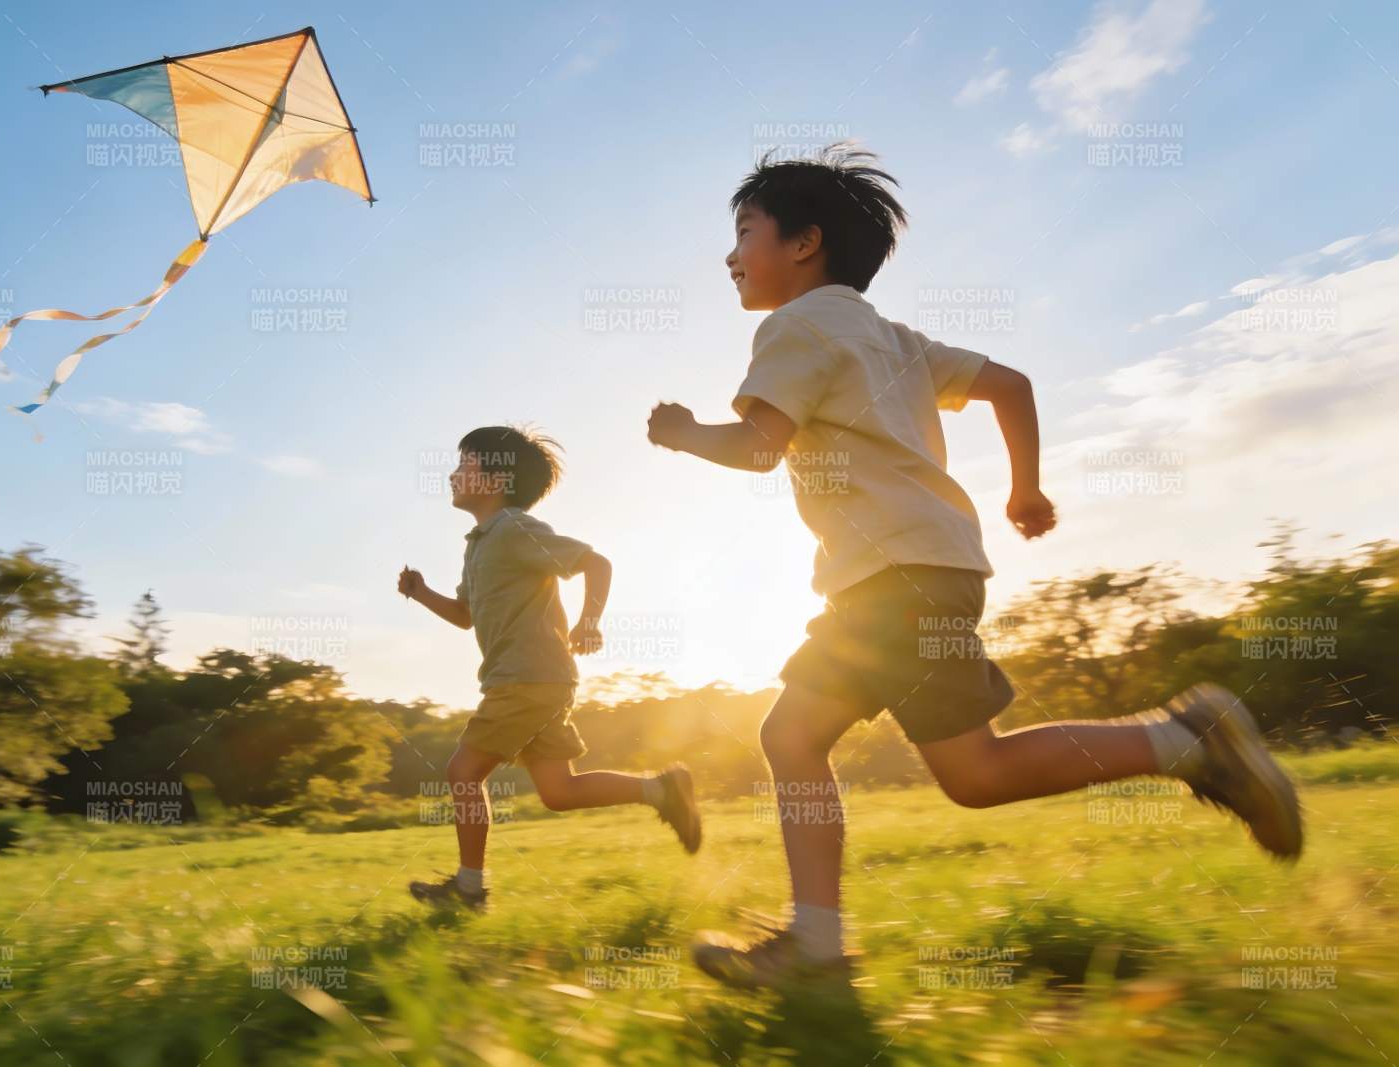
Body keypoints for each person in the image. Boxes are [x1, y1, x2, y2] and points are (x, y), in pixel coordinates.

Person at [645, 144, 1301, 988]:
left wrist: (684, 432)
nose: (730, 255)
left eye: (744, 231)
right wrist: (1024, 488)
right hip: (920, 570)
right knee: (860, 749)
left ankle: (1186, 740)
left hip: (892, 579)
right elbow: (1013, 383)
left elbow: (760, 447)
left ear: (804, 244)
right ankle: (815, 944)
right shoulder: (894, 339)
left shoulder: (795, 326)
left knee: (916, 760)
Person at [400, 425, 702, 909]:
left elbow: (596, 563)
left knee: (463, 772)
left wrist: (589, 621)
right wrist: (422, 592)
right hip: (538, 680)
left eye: (464, 464)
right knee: (559, 791)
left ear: (497, 479)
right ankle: (662, 790)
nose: (453, 474)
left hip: (526, 678)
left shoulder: (514, 529)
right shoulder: (478, 542)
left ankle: (469, 889)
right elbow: (464, 616)